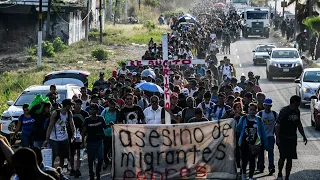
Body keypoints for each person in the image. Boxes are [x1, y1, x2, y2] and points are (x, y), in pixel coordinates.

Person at [275, 95, 307, 180]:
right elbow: (278, 124)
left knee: (290, 158)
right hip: (283, 137)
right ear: (294, 102)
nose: (300, 103)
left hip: (292, 138)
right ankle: (279, 173)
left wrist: (303, 135)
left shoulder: (297, 111)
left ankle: (287, 177)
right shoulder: (284, 111)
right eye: (298, 101)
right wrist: (277, 137)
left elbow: (298, 124)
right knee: (282, 157)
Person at [237, 103, 268, 180]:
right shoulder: (243, 118)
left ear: (256, 110)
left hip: (255, 143)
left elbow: (262, 132)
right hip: (244, 143)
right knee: (244, 160)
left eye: (254, 110)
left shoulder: (259, 119)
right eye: (250, 109)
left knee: (252, 160)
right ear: (248, 110)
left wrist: (265, 143)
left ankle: (250, 176)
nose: (252, 111)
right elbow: (238, 129)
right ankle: (243, 173)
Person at [43, 99, 76, 168]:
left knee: (63, 156)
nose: (71, 107)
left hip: (64, 138)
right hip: (54, 139)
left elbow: (72, 124)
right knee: (53, 156)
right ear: (67, 106)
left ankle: (59, 170)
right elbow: (50, 126)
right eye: (70, 105)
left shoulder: (69, 113)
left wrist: (74, 134)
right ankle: (51, 170)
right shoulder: (56, 113)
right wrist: (47, 139)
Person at [81, 103, 108, 180]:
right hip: (90, 142)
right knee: (90, 159)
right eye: (91, 109)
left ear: (97, 110)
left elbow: (105, 127)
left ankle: (98, 173)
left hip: (99, 141)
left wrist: (111, 125)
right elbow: (83, 132)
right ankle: (91, 174)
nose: (92, 111)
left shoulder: (101, 118)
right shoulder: (87, 120)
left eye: (94, 109)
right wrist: (83, 142)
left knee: (100, 158)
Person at [256, 98, 278, 175]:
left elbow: (278, 124)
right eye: (266, 105)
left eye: (269, 105)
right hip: (261, 137)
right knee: (260, 153)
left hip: (270, 136)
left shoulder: (274, 114)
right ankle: (260, 167)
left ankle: (271, 167)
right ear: (264, 105)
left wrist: (278, 136)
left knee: (270, 153)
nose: (268, 107)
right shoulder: (259, 114)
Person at [69, 99, 89, 178]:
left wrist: (85, 136)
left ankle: (78, 169)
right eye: (76, 104)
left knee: (79, 152)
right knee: (71, 152)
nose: (78, 105)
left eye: (79, 104)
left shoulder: (85, 113)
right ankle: (72, 168)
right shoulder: (70, 113)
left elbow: (87, 125)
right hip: (71, 135)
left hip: (81, 135)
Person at [101, 99, 119, 170]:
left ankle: (113, 165)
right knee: (105, 151)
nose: (112, 106)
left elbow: (120, 122)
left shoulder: (118, 112)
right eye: (110, 104)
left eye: (113, 104)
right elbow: (101, 120)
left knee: (114, 151)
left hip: (115, 134)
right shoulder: (105, 111)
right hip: (106, 134)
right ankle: (106, 162)